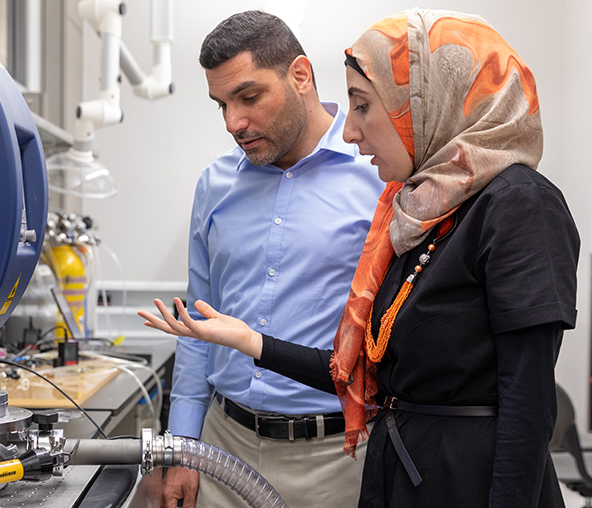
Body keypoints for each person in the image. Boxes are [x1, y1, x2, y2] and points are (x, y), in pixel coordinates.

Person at [140, 8, 580, 508]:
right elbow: (365, 365)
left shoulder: (434, 194)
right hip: (258, 448)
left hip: (354, 458)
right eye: (221, 105)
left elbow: (526, 403)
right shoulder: (419, 204)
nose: (233, 122)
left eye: (364, 105)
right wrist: (238, 363)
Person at [160, 10, 384, 508]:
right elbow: (197, 327)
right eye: (221, 104)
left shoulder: (378, 175)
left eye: (249, 96)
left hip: (338, 459)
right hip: (223, 448)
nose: (233, 122)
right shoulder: (215, 185)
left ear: (300, 75)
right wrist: (182, 448)